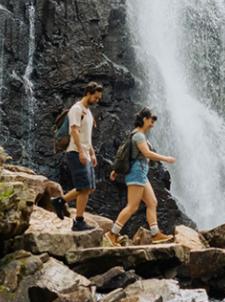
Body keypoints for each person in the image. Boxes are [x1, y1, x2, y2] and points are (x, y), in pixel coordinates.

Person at [106, 107, 176, 245]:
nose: (152, 125)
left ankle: (155, 234)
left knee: (152, 202)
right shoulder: (138, 136)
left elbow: (126, 154)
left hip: (141, 173)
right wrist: (166, 158)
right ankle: (112, 233)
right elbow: (147, 153)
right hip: (136, 173)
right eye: (151, 121)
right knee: (132, 206)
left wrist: (116, 170)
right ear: (144, 119)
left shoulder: (135, 134)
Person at [63, 82, 103, 232]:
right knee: (84, 187)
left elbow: (87, 136)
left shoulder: (88, 112)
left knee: (89, 188)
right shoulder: (76, 109)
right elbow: (74, 131)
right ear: (88, 93)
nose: (97, 100)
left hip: (85, 152)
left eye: (99, 98)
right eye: (96, 97)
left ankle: (60, 202)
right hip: (75, 151)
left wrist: (92, 153)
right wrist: (80, 151)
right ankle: (78, 221)